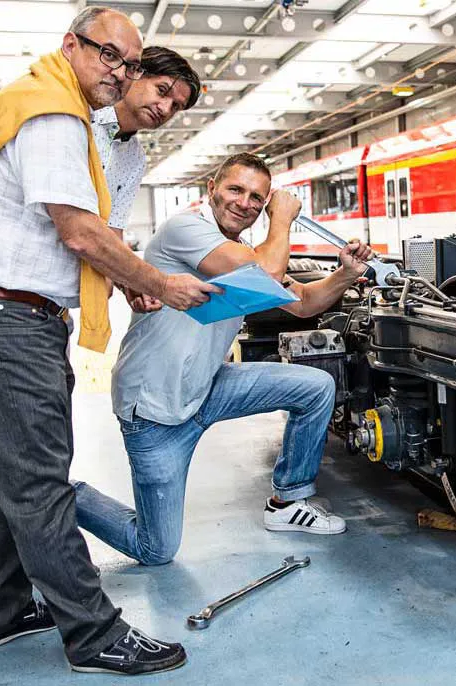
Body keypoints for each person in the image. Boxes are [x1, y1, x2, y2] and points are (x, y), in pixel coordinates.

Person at [0, 6, 215, 675]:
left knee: (27, 473)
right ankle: (93, 633)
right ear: (70, 45)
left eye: (131, 63)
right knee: (38, 482)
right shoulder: (55, 114)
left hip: (13, 314)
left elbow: (89, 234)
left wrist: (125, 274)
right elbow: (80, 231)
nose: (123, 73)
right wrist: (159, 284)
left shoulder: (63, 114)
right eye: (111, 56)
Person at [72, 153, 374, 566]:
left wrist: (346, 273)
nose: (245, 203)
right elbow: (267, 274)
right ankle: (63, 495)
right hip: (157, 410)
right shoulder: (187, 230)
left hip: (208, 386)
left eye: (257, 197)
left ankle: (289, 501)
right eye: (236, 189)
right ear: (211, 189)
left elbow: (303, 304)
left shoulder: (244, 251)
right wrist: (281, 218)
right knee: (155, 549)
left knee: (316, 386)